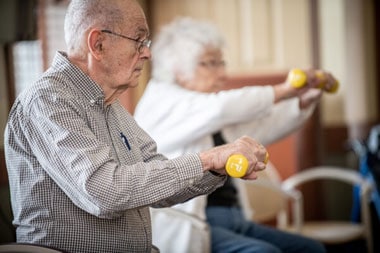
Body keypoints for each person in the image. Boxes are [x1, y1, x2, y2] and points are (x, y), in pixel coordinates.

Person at [3, 2, 269, 253]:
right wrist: (207, 158)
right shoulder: (48, 100)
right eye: (139, 41)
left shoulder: (111, 105)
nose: (147, 52)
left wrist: (214, 168)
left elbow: (159, 184)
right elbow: (104, 193)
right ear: (98, 44)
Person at [134, 17, 336, 253]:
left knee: (310, 249)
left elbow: (263, 128)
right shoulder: (163, 100)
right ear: (177, 70)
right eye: (210, 64)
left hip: (235, 217)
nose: (222, 73)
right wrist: (286, 89)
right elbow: (219, 108)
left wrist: (301, 102)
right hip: (197, 223)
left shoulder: (205, 107)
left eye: (222, 63)